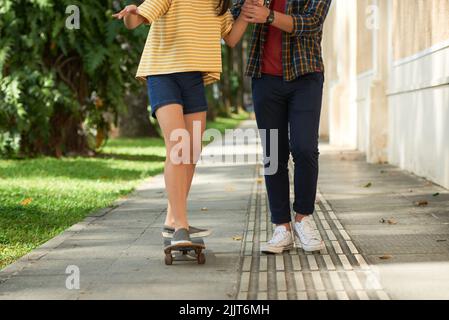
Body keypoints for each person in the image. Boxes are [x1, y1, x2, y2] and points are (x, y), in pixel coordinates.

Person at [113, 0, 249, 246]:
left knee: (192, 151)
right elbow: (137, 20)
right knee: (178, 147)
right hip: (163, 74)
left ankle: (172, 221)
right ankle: (181, 226)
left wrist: (248, 14)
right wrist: (131, 13)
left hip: (194, 79)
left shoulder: (218, 5)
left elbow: (231, 38)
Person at [232, 0, 332, 253]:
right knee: (274, 154)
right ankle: (282, 228)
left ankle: (303, 219)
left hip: (305, 75)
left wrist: (268, 16)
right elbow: (233, 16)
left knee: (304, 147)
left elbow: (311, 22)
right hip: (265, 78)